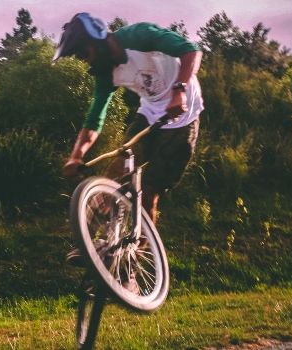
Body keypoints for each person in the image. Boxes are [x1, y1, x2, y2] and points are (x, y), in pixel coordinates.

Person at [53, 13, 203, 264]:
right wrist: (76, 156)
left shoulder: (139, 36)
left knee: (149, 193)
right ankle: (90, 245)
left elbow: (191, 51)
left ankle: (136, 258)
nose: (82, 60)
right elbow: (94, 120)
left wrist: (179, 91)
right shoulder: (104, 74)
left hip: (182, 116)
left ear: (98, 40)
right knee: (115, 173)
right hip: (150, 113)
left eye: (82, 52)